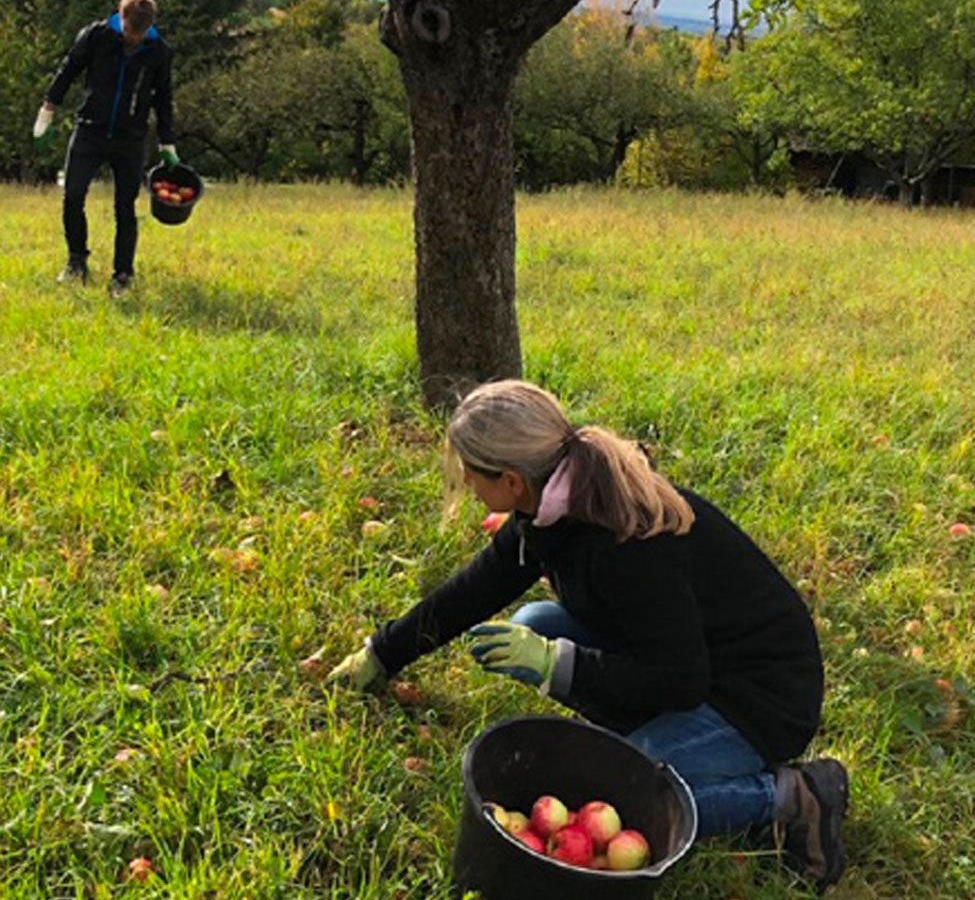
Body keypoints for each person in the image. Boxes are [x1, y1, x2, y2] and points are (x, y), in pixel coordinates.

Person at [302, 379, 849, 891]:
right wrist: (382, 652)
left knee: (620, 799)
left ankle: (786, 797)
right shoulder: (550, 505)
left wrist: (554, 666)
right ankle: (661, 747)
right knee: (535, 624)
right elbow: (475, 590)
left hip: (758, 700)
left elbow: (682, 680)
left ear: (511, 480)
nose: (466, 483)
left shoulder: (624, 542)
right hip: (685, 660)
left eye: (472, 473)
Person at [33, 0, 178, 297]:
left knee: (125, 207)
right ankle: (76, 262)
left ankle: (123, 275)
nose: (133, 39)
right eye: (129, 32)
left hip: (130, 137)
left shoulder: (159, 52)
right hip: (90, 131)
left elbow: (163, 99)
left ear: (149, 26)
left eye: (139, 34)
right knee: (72, 196)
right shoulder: (96, 36)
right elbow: (68, 69)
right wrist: (48, 109)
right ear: (120, 18)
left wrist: (168, 144)